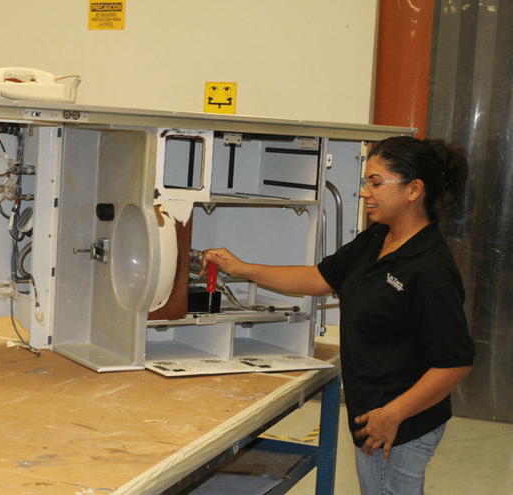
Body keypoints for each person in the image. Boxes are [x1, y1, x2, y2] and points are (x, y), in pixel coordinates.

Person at [201, 136, 475, 494]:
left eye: (376, 182)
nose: (364, 193)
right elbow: (318, 277)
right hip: (374, 415)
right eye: (365, 182)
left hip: (401, 425)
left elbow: (455, 363)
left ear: (413, 189)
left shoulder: (431, 268)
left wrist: (391, 416)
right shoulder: (378, 238)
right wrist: (242, 268)